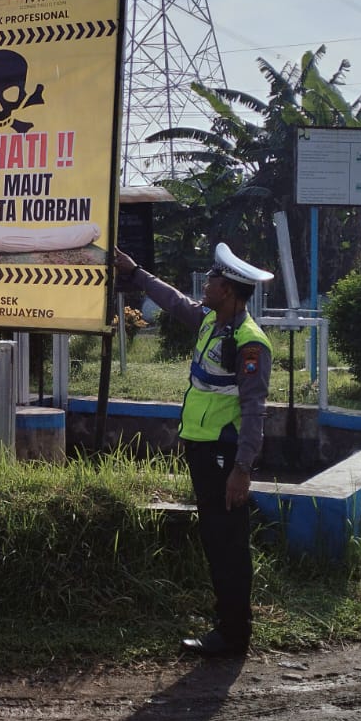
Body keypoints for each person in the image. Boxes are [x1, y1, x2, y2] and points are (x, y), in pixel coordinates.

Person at [115, 242, 274, 657]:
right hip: (204, 450)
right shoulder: (211, 322)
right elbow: (172, 300)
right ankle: (229, 629)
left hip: (225, 453)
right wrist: (134, 272)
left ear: (231, 291)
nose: (208, 282)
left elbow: (254, 410)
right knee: (216, 539)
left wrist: (242, 468)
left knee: (228, 543)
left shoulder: (248, 342)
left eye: (215, 278)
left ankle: (233, 635)